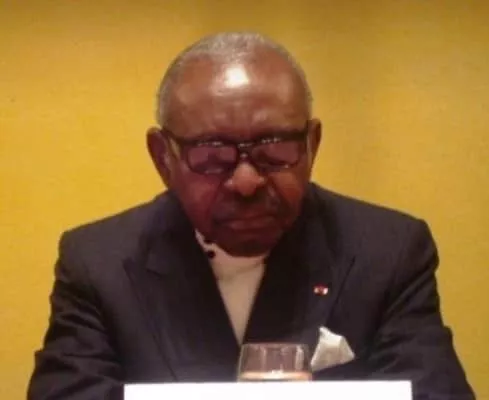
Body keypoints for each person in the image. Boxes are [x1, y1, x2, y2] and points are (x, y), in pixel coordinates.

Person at [28, 32, 474, 400]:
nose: (246, 182)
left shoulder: (389, 252)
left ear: (312, 145)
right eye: (212, 155)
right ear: (163, 158)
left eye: (274, 149)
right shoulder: (99, 264)